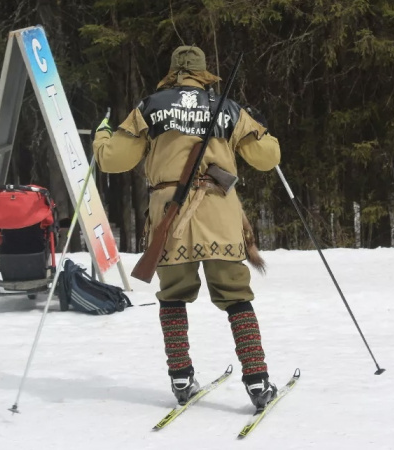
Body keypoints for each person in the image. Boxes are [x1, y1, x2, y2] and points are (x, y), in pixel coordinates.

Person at [92, 46, 282, 409]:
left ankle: (181, 378)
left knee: (173, 295)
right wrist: (261, 127)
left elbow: (112, 160)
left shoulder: (151, 106)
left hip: (170, 216)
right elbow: (267, 158)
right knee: (236, 297)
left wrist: (102, 133)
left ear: (173, 72)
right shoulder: (228, 107)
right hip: (220, 215)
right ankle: (257, 382)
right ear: (204, 73)